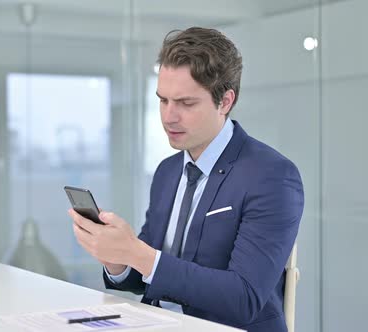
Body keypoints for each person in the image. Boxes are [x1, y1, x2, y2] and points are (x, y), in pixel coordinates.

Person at [68, 27, 304, 332]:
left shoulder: (271, 176)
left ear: (226, 101)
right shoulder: (167, 171)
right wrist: (118, 258)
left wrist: (138, 253)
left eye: (185, 103)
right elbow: (146, 275)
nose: (168, 116)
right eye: (163, 100)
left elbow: (244, 297)